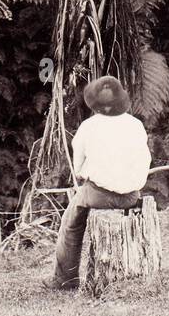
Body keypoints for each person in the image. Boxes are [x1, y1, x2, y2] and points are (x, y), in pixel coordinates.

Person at [49, 76, 152, 290]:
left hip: (99, 195)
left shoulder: (88, 127)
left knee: (71, 224)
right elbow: (145, 159)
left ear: (94, 105)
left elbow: (78, 169)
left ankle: (64, 280)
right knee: (85, 202)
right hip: (132, 195)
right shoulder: (136, 125)